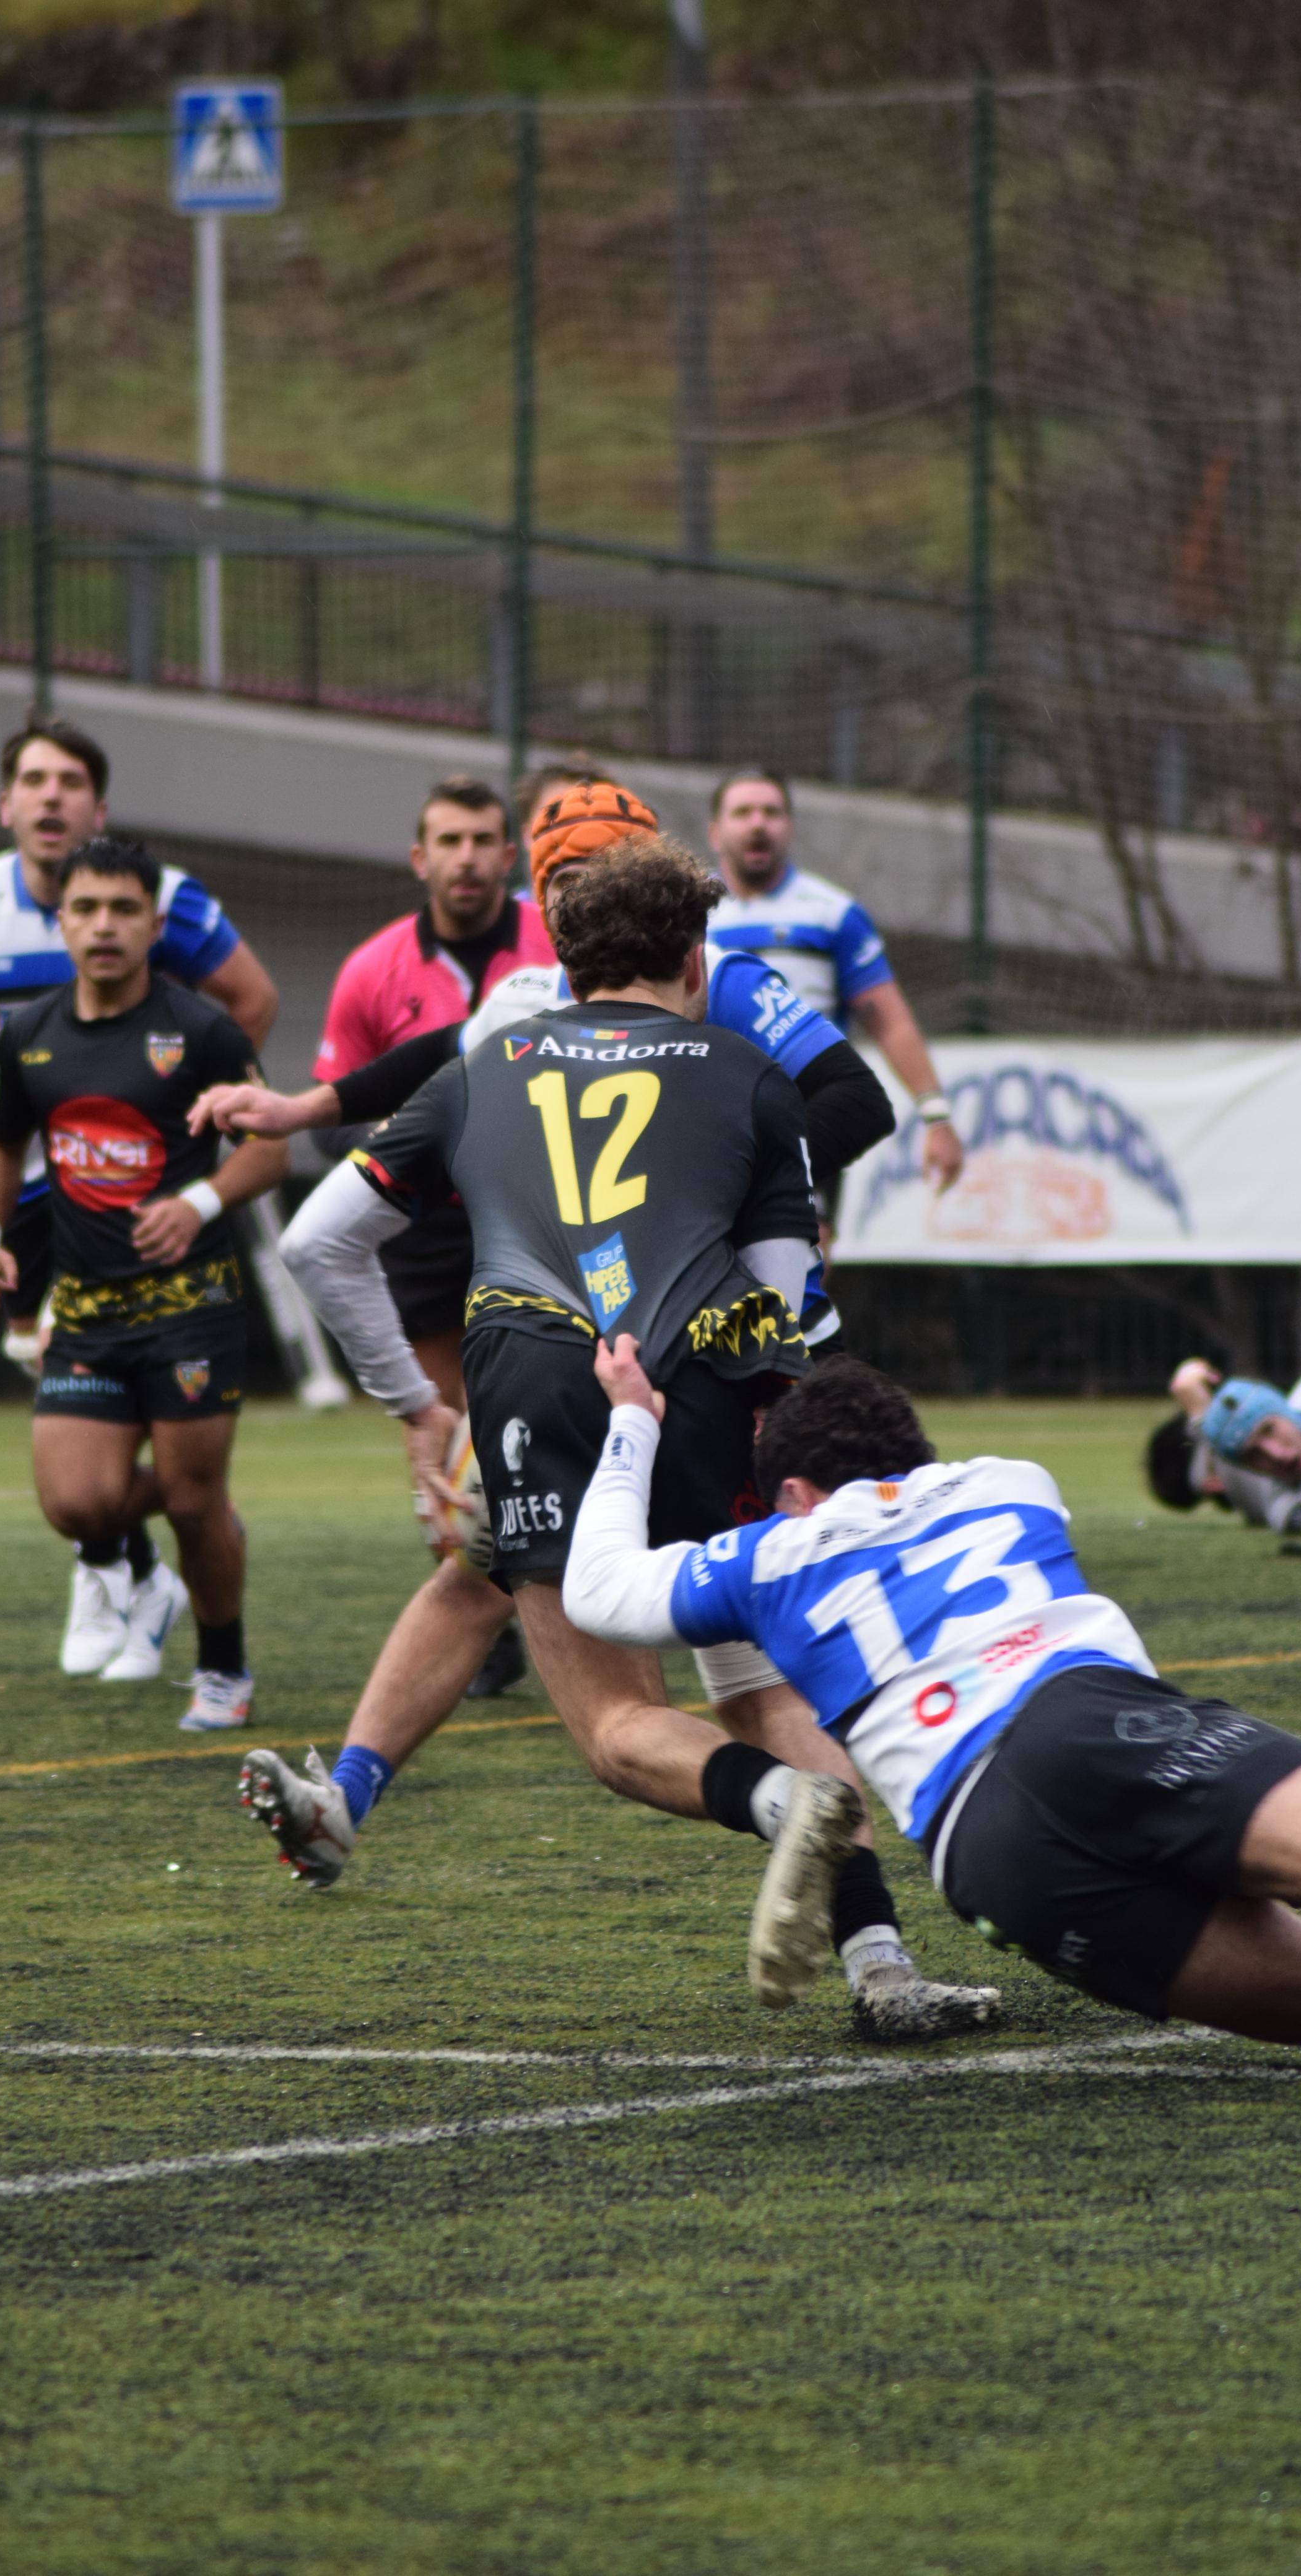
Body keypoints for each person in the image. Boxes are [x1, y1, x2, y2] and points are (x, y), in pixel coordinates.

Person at [248, 832, 998, 2041]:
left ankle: (776, 1805)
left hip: (537, 1389)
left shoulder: (481, 1068)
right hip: (705, 1389)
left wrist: (416, 1403)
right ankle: (880, 1965)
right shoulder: (750, 1073)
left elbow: (319, 1242)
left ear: (562, 962)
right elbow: (779, 1295)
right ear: (695, 960)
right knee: (750, 1678)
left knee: (612, 1725)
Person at [564, 1340, 1301, 2049]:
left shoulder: (766, 1555)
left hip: (988, 1854)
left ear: (796, 1493)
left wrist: (633, 1417)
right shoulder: (1012, 1481)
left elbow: (594, 1589)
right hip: (1090, 1718)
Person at [0, 716, 279, 1681]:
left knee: (187, 1487)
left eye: (69, 781)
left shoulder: (174, 908)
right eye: (33, 780)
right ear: (5, 804)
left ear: (99, 806)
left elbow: (253, 1002)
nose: (50, 797)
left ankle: (154, 1581)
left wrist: (191, 1120)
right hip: (45, 1181)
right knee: (66, 1453)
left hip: (152, 1196)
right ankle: (116, 1558)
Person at [311, 773, 557, 1702]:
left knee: (547, 1407)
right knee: (442, 1418)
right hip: (422, 1226)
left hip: (535, 1214)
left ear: (510, 855)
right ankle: (476, 1609)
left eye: (483, 839)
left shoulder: (553, 948)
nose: (466, 858)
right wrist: (397, 1137)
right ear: (420, 858)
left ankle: (577, 1584)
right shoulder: (372, 969)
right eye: (448, 841)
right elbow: (332, 1114)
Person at [705, 765, 963, 1207]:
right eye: (743, 812)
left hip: (806, 1113)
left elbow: (891, 1021)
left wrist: (936, 1117)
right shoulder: (689, 913)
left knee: (806, 1246)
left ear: (791, 827)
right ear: (715, 832)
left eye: (772, 812)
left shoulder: (832, 914)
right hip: (713, 1117)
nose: (758, 824)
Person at [1150, 1338, 1301, 1536]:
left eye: (1269, 1429)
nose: (1277, 1454)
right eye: (1253, 1456)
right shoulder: (1283, 1508)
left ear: (1287, 1411)